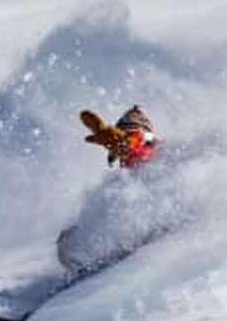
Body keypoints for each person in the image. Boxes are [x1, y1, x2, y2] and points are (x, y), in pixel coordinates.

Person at [56, 105, 162, 273]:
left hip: (150, 226)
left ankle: (97, 260)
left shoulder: (146, 149)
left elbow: (134, 145)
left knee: (71, 245)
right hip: (144, 223)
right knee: (68, 242)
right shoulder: (134, 173)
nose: (121, 159)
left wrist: (113, 138)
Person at [81, 104, 161, 167]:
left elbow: (148, 136)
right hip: (132, 141)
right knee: (128, 146)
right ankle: (112, 138)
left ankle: (110, 138)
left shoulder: (134, 120)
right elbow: (147, 136)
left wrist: (111, 156)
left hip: (133, 141)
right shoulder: (136, 120)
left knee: (128, 146)